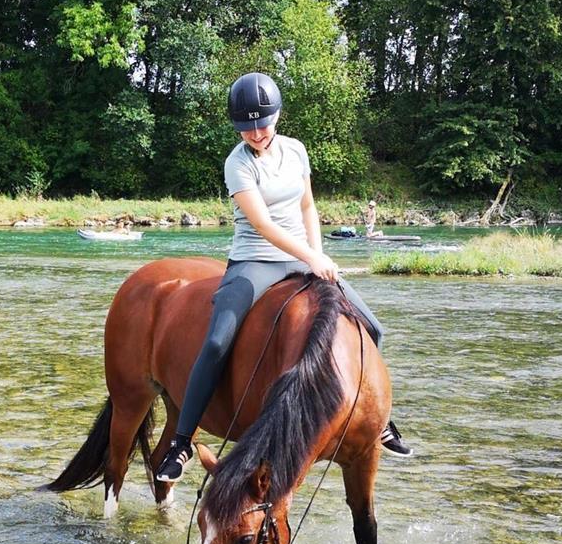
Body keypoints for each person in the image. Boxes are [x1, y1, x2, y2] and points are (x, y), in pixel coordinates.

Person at [155, 73, 412, 484]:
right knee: (218, 339)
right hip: (254, 260)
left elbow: (307, 206)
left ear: (277, 117)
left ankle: (377, 421)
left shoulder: (295, 150)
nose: (255, 133)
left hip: (304, 259)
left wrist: (317, 256)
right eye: (246, 127)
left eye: (263, 123)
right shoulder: (237, 163)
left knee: (372, 328)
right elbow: (263, 225)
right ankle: (182, 440)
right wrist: (310, 254)